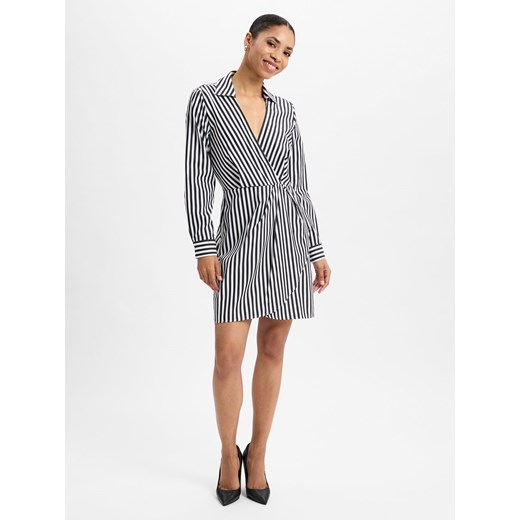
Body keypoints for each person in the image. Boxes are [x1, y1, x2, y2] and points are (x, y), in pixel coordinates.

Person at [184, 13, 332, 506]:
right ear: (248, 40)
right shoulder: (207, 100)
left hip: (287, 241)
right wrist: (204, 245)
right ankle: (228, 453)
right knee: (227, 356)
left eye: (288, 52)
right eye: (272, 44)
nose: (278, 57)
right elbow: (196, 177)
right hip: (237, 240)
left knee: (272, 349)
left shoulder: (286, 112)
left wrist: (315, 249)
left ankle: (259, 452)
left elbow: (300, 185)